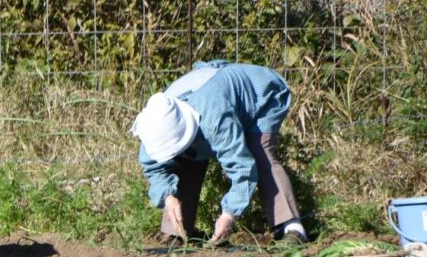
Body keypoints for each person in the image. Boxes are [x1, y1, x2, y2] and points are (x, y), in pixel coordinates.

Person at [131, 60, 308, 246]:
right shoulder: (153, 127)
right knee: (186, 159)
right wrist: (168, 198)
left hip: (260, 96)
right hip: (213, 92)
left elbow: (242, 168)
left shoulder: (214, 122)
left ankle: (293, 228)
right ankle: (177, 234)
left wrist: (229, 215)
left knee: (260, 153)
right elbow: (153, 168)